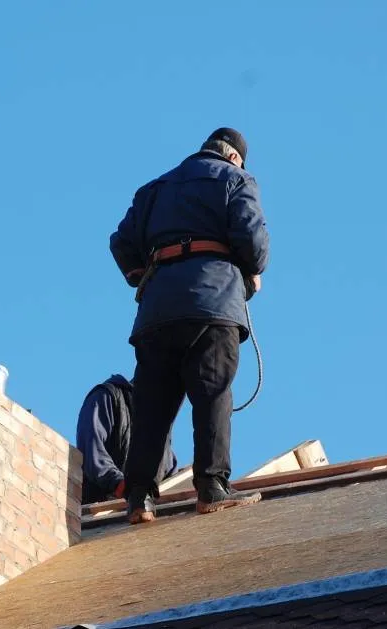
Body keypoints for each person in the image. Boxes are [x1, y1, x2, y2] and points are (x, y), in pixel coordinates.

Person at [109, 127, 270, 524]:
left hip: (157, 312)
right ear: (234, 157)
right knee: (212, 393)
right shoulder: (237, 179)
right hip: (213, 303)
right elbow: (253, 244)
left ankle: (139, 499)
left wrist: (144, 274)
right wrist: (250, 273)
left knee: (152, 405)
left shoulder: (154, 189)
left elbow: (121, 241)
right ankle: (212, 488)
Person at [75, 374, 178, 504]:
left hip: (139, 510)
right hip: (98, 508)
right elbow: (92, 451)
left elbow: (170, 478)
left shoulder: (160, 436)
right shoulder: (107, 397)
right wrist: (118, 483)